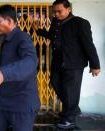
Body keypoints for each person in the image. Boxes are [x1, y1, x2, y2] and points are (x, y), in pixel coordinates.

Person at [33, 0, 100, 129]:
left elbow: (88, 45)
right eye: (54, 12)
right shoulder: (56, 22)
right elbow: (52, 36)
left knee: (71, 91)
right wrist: (39, 31)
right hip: (58, 62)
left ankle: (69, 118)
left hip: (74, 63)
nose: (56, 14)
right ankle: (72, 109)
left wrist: (95, 65)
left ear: (68, 9)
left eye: (59, 11)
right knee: (54, 82)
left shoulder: (80, 23)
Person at [0, 5, 41, 131]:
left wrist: (2, 73)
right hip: (2, 103)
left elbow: (30, 62)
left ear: (10, 21)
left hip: (21, 105)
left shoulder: (23, 37)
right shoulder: (7, 40)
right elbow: (3, 61)